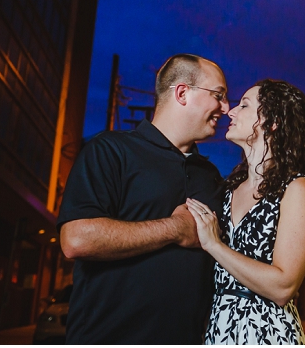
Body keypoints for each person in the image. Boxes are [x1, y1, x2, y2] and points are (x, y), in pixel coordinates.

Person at [57, 54, 229, 344]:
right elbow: (76, 239)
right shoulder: (111, 151)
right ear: (183, 92)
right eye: (219, 95)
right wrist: (175, 229)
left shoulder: (210, 175)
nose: (225, 108)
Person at [187, 79, 305, 345]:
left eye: (244, 105)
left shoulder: (297, 189)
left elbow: (284, 286)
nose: (231, 112)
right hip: (220, 330)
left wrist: (214, 245)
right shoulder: (228, 189)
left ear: (271, 122)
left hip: (267, 332)